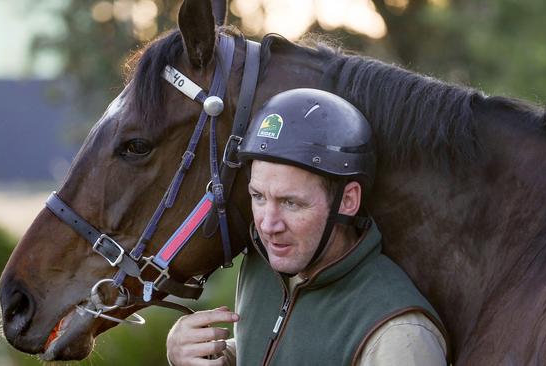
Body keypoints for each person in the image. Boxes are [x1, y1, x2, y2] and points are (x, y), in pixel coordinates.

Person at [166, 88, 448, 365]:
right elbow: (279, 345)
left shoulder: (398, 337)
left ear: (347, 200)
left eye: (291, 203)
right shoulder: (265, 262)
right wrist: (209, 354)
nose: (267, 225)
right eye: (259, 197)